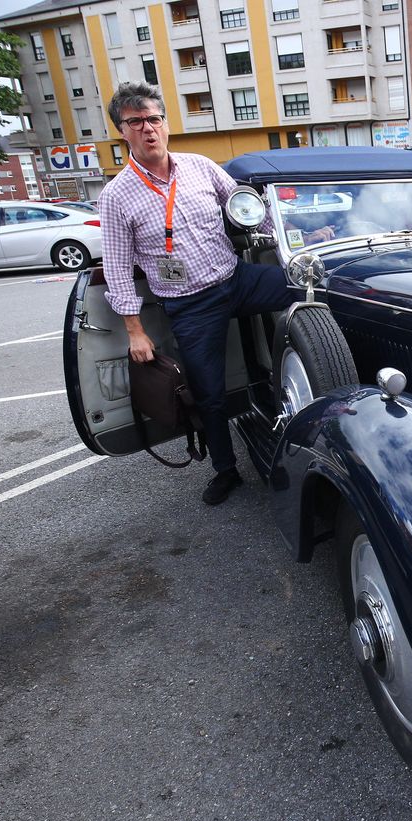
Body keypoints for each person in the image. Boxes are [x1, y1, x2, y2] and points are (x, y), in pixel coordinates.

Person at [98, 81, 296, 505]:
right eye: (136, 122)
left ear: (166, 124)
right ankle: (226, 470)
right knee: (208, 393)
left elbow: (248, 211)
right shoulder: (115, 197)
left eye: (154, 119)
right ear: (122, 131)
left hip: (235, 279)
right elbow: (115, 268)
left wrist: (292, 242)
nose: (148, 129)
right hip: (189, 304)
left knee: (307, 289)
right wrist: (135, 329)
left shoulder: (200, 165)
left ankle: (312, 383)